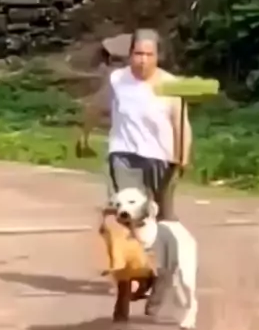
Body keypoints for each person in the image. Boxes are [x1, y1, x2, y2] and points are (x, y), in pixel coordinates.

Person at [77, 28, 192, 222]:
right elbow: (96, 107)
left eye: (149, 54)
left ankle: (163, 239)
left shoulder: (171, 85)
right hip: (124, 155)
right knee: (127, 211)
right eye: (138, 54)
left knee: (162, 216)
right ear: (130, 55)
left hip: (160, 158)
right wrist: (85, 136)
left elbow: (180, 124)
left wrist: (182, 158)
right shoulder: (117, 79)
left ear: (158, 56)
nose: (143, 60)